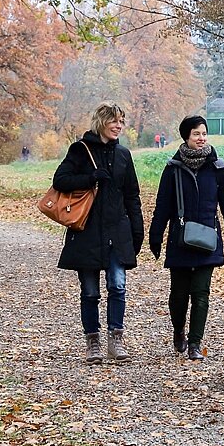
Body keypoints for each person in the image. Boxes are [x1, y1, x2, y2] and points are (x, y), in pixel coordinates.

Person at [148, 115, 224, 360]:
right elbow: (162, 206)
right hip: (180, 239)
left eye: (204, 133)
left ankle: (194, 343)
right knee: (179, 294)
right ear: (186, 137)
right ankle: (178, 328)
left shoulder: (218, 168)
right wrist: (155, 236)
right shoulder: (173, 169)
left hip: (207, 240)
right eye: (196, 134)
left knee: (201, 293)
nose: (201, 138)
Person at [53, 102, 144, 365]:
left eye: (121, 122)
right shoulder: (80, 150)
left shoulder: (124, 155)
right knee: (90, 291)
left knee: (118, 286)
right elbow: (60, 181)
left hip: (117, 231)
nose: (118, 126)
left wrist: (137, 232)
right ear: (101, 122)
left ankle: (116, 339)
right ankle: (92, 341)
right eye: (113, 121)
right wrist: (91, 177)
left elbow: (132, 196)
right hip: (87, 232)